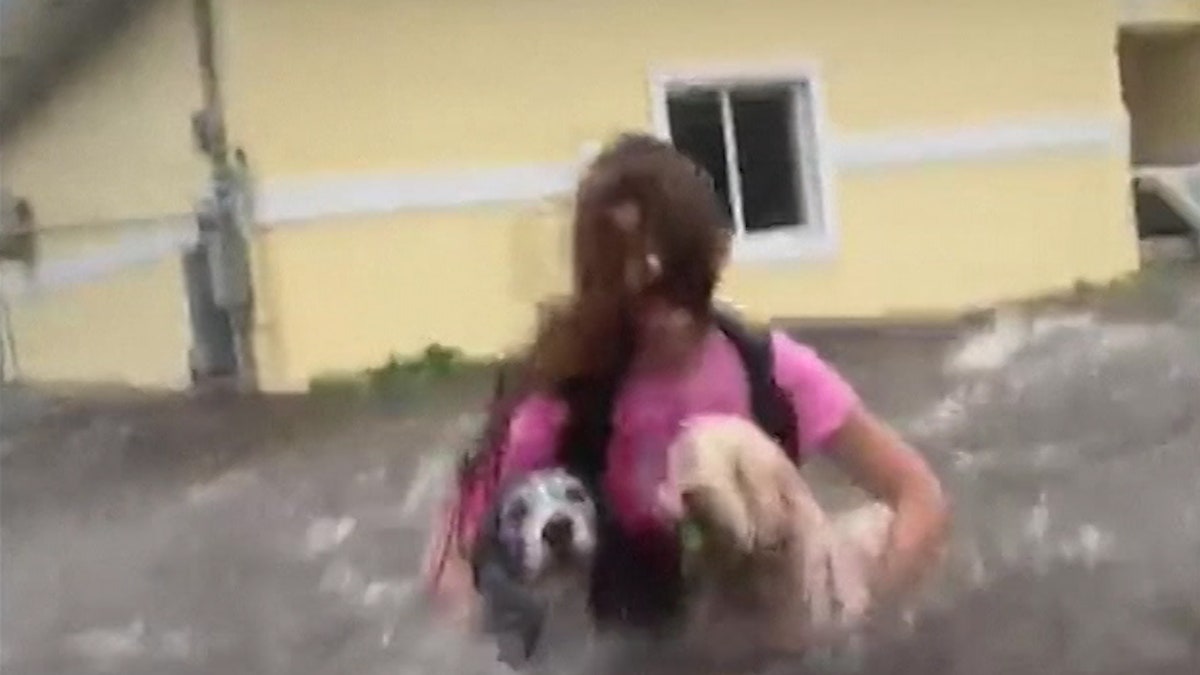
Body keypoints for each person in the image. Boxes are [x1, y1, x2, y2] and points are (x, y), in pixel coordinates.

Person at [423, 132, 948, 637]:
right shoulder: (563, 402)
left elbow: (918, 497)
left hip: (769, 625)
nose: (649, 284)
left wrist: (865, 623)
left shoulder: (775, 374)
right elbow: (457, 558)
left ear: (709, 253)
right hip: (634, 635)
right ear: (598, 278)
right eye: (622, 267)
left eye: (668, 264)